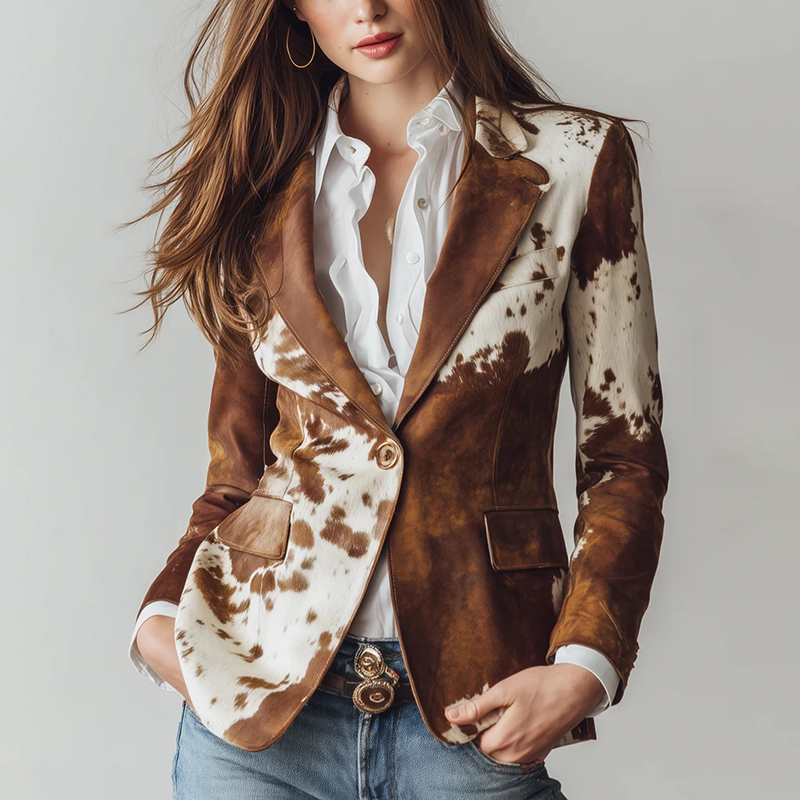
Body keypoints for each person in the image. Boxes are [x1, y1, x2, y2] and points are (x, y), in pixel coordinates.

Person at [123, 1, 669, 797]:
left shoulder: (573, 160)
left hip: (472, 701)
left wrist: (588, 662)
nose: (367, 9)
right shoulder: (258, 181)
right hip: (259, 703)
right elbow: (238, 474)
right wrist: (159, 619)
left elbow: (624, 456)